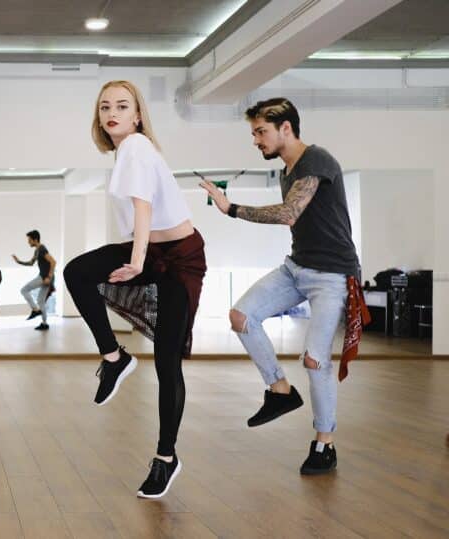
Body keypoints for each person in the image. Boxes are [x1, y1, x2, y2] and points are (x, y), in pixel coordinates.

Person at [200, 97, 363, 476]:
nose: (256, 140)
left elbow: (290, 213)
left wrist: (232, 208)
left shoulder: (316, 160)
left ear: (285, 128)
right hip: (296, 268)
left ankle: (325, 444)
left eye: (261, 132)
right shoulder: (285, 171)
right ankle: (279, 391)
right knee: (241, 316)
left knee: (315, 359)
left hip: (332, 275)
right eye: (254, 132)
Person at [64, 80, 206, 498]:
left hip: (179, 259)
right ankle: (114, 357)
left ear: (138, 114)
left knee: (167, 363)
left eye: (122, 106)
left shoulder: (137, 147)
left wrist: (137, 261)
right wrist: (138, 255)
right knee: (78, 272)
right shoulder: (125, 152)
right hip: (149, 249)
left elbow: (142, 205)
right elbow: (140, 213)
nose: (112, 113)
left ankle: (166, 458)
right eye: (105, 106)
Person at [12, 229, 56, 330]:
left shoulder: (42, 249)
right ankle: (45, 324)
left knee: (24, 290)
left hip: (45, 277)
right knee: (40, 301)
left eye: (29, 240)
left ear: (35, 240)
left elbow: (53, 262)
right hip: (45, 277)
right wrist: (18, 261)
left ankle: (35, 310)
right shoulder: (37, 250)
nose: (28, 242)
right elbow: (31, 263)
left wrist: (48, 277)